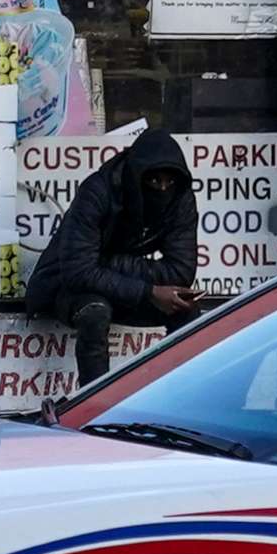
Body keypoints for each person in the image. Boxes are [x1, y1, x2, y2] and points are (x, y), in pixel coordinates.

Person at [26, 130, 199, 386]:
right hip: (65, 286)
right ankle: (94, 403)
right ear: (137, 177)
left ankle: (178, 395)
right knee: (95, 311)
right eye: (154, 182)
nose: (162, 189)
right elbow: (77, 272)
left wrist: (108, 265)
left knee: (187, 311)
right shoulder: (98, 191)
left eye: (168, 182)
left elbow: (181, 271)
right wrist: (148, 291)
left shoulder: (179, 199)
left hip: (118, 286)